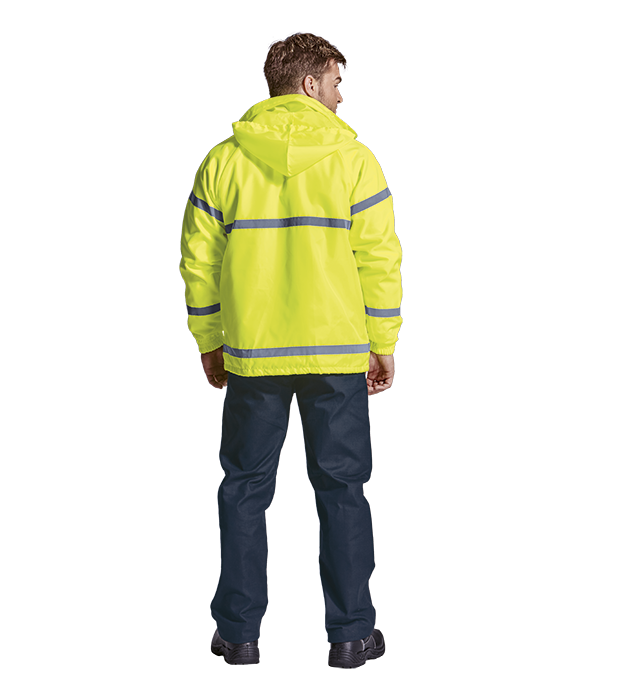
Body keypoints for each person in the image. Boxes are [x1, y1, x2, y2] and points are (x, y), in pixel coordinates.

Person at [180, 33, 402, 669]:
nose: (341, 95)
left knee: (243, 491)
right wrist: (383, 342)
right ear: (309, 83)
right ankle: (352, 636)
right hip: (336, 354)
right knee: (343, 492)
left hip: (254, 355)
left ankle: (238, 639)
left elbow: (199, 263)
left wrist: (209, 341)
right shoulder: (354, 160)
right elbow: (379, 259)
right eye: (336, 81)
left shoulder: (223, 161)